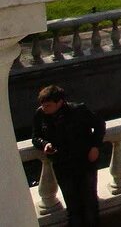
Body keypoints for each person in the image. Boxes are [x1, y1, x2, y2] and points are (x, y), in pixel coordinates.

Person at [31, 85, 105, 227]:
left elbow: (100, 125)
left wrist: (95, 146)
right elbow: (35, 137)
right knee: (73, 206)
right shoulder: (40, 114)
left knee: (90, 204)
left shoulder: (78, 110)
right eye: (43, 105)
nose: (44, 108)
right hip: (63, 165)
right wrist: (44, 144)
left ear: (59, 103)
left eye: (48, 105)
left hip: (84, 163)